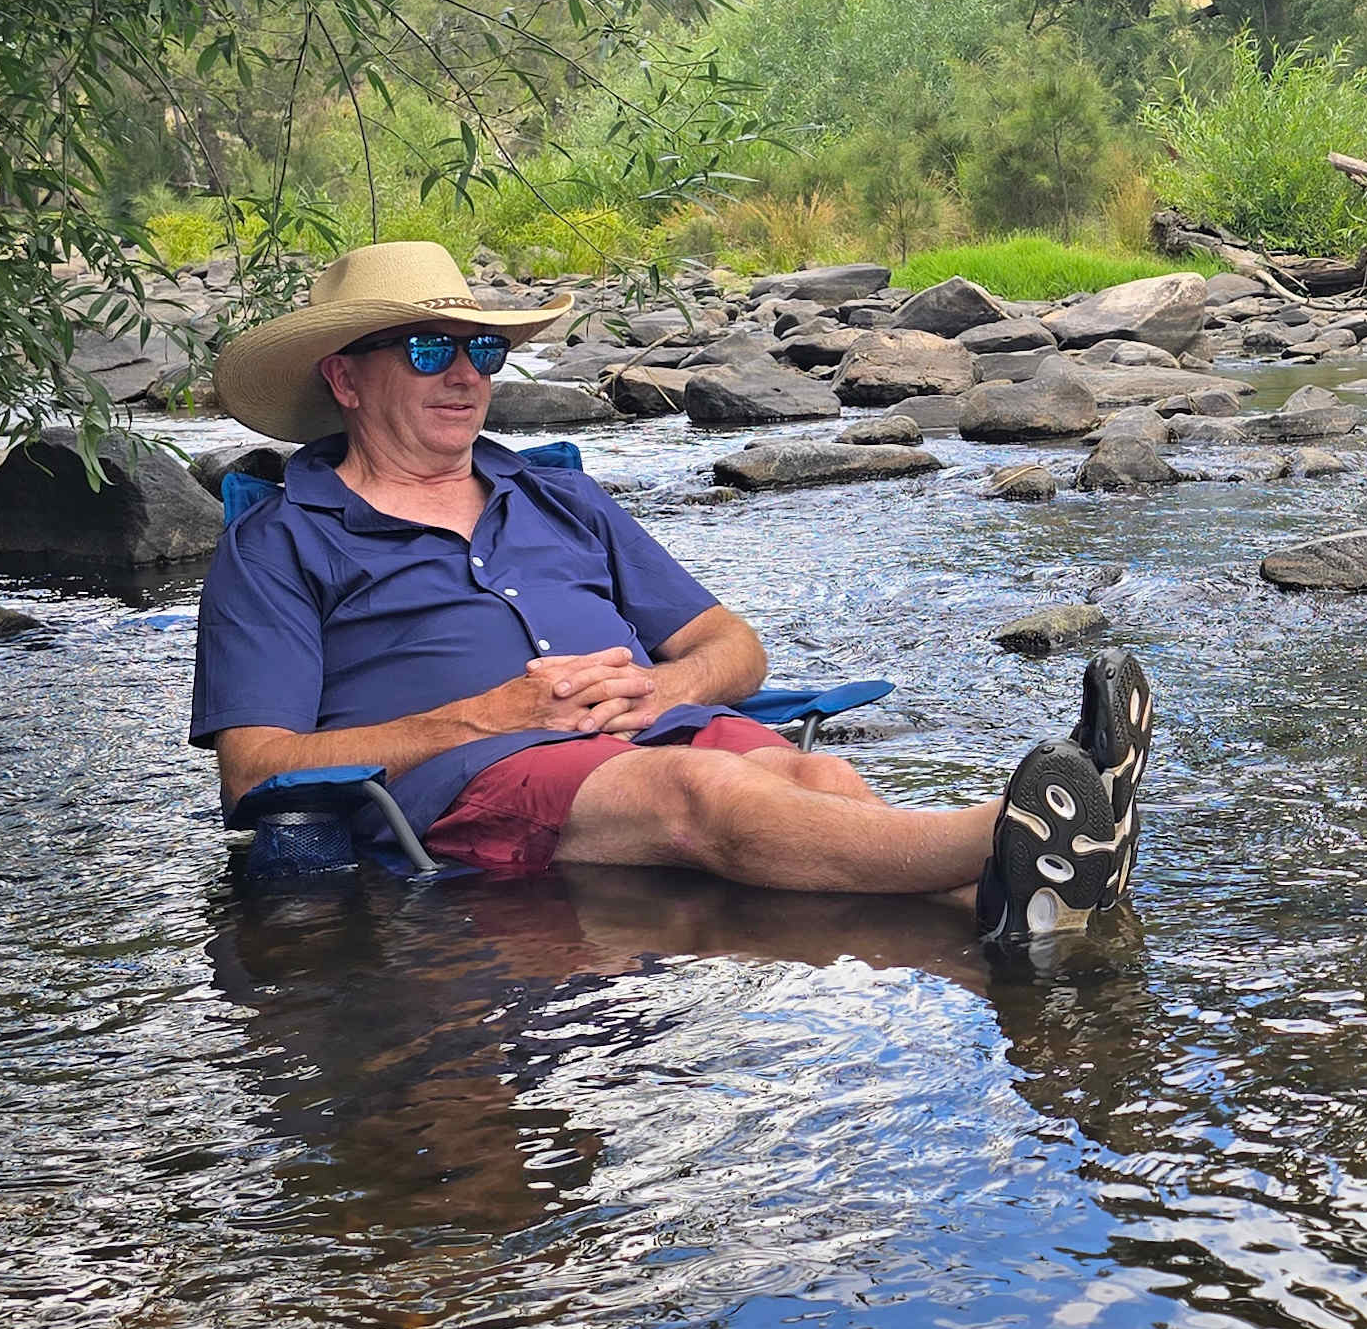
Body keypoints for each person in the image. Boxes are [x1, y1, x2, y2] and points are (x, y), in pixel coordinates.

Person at [189, 240, 1144, 941]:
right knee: (702, 789)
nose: (467, 378)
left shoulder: (555, 494)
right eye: (431, 353)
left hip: (651, 729)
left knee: (818, 775)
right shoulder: (278, 540)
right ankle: (1014, 831)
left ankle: (1028, 909)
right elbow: (256, 767)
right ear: (345, 378)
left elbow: (734, 646)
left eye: (481, 352)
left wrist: (665, 689)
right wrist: (484, 716)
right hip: (466, 786)